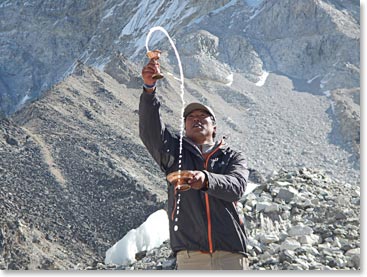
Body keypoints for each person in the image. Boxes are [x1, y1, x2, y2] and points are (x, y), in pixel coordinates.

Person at [139, 59, 250, 270]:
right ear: (185, 126)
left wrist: (206, 179)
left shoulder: (233, 157)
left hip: (231, 255)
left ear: (214, 128)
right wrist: (149, 90)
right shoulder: (174, 153)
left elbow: (236, 187)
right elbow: (150, 131)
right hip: (191, 257)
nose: (196, 119)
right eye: (190, 117)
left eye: (203, 116)